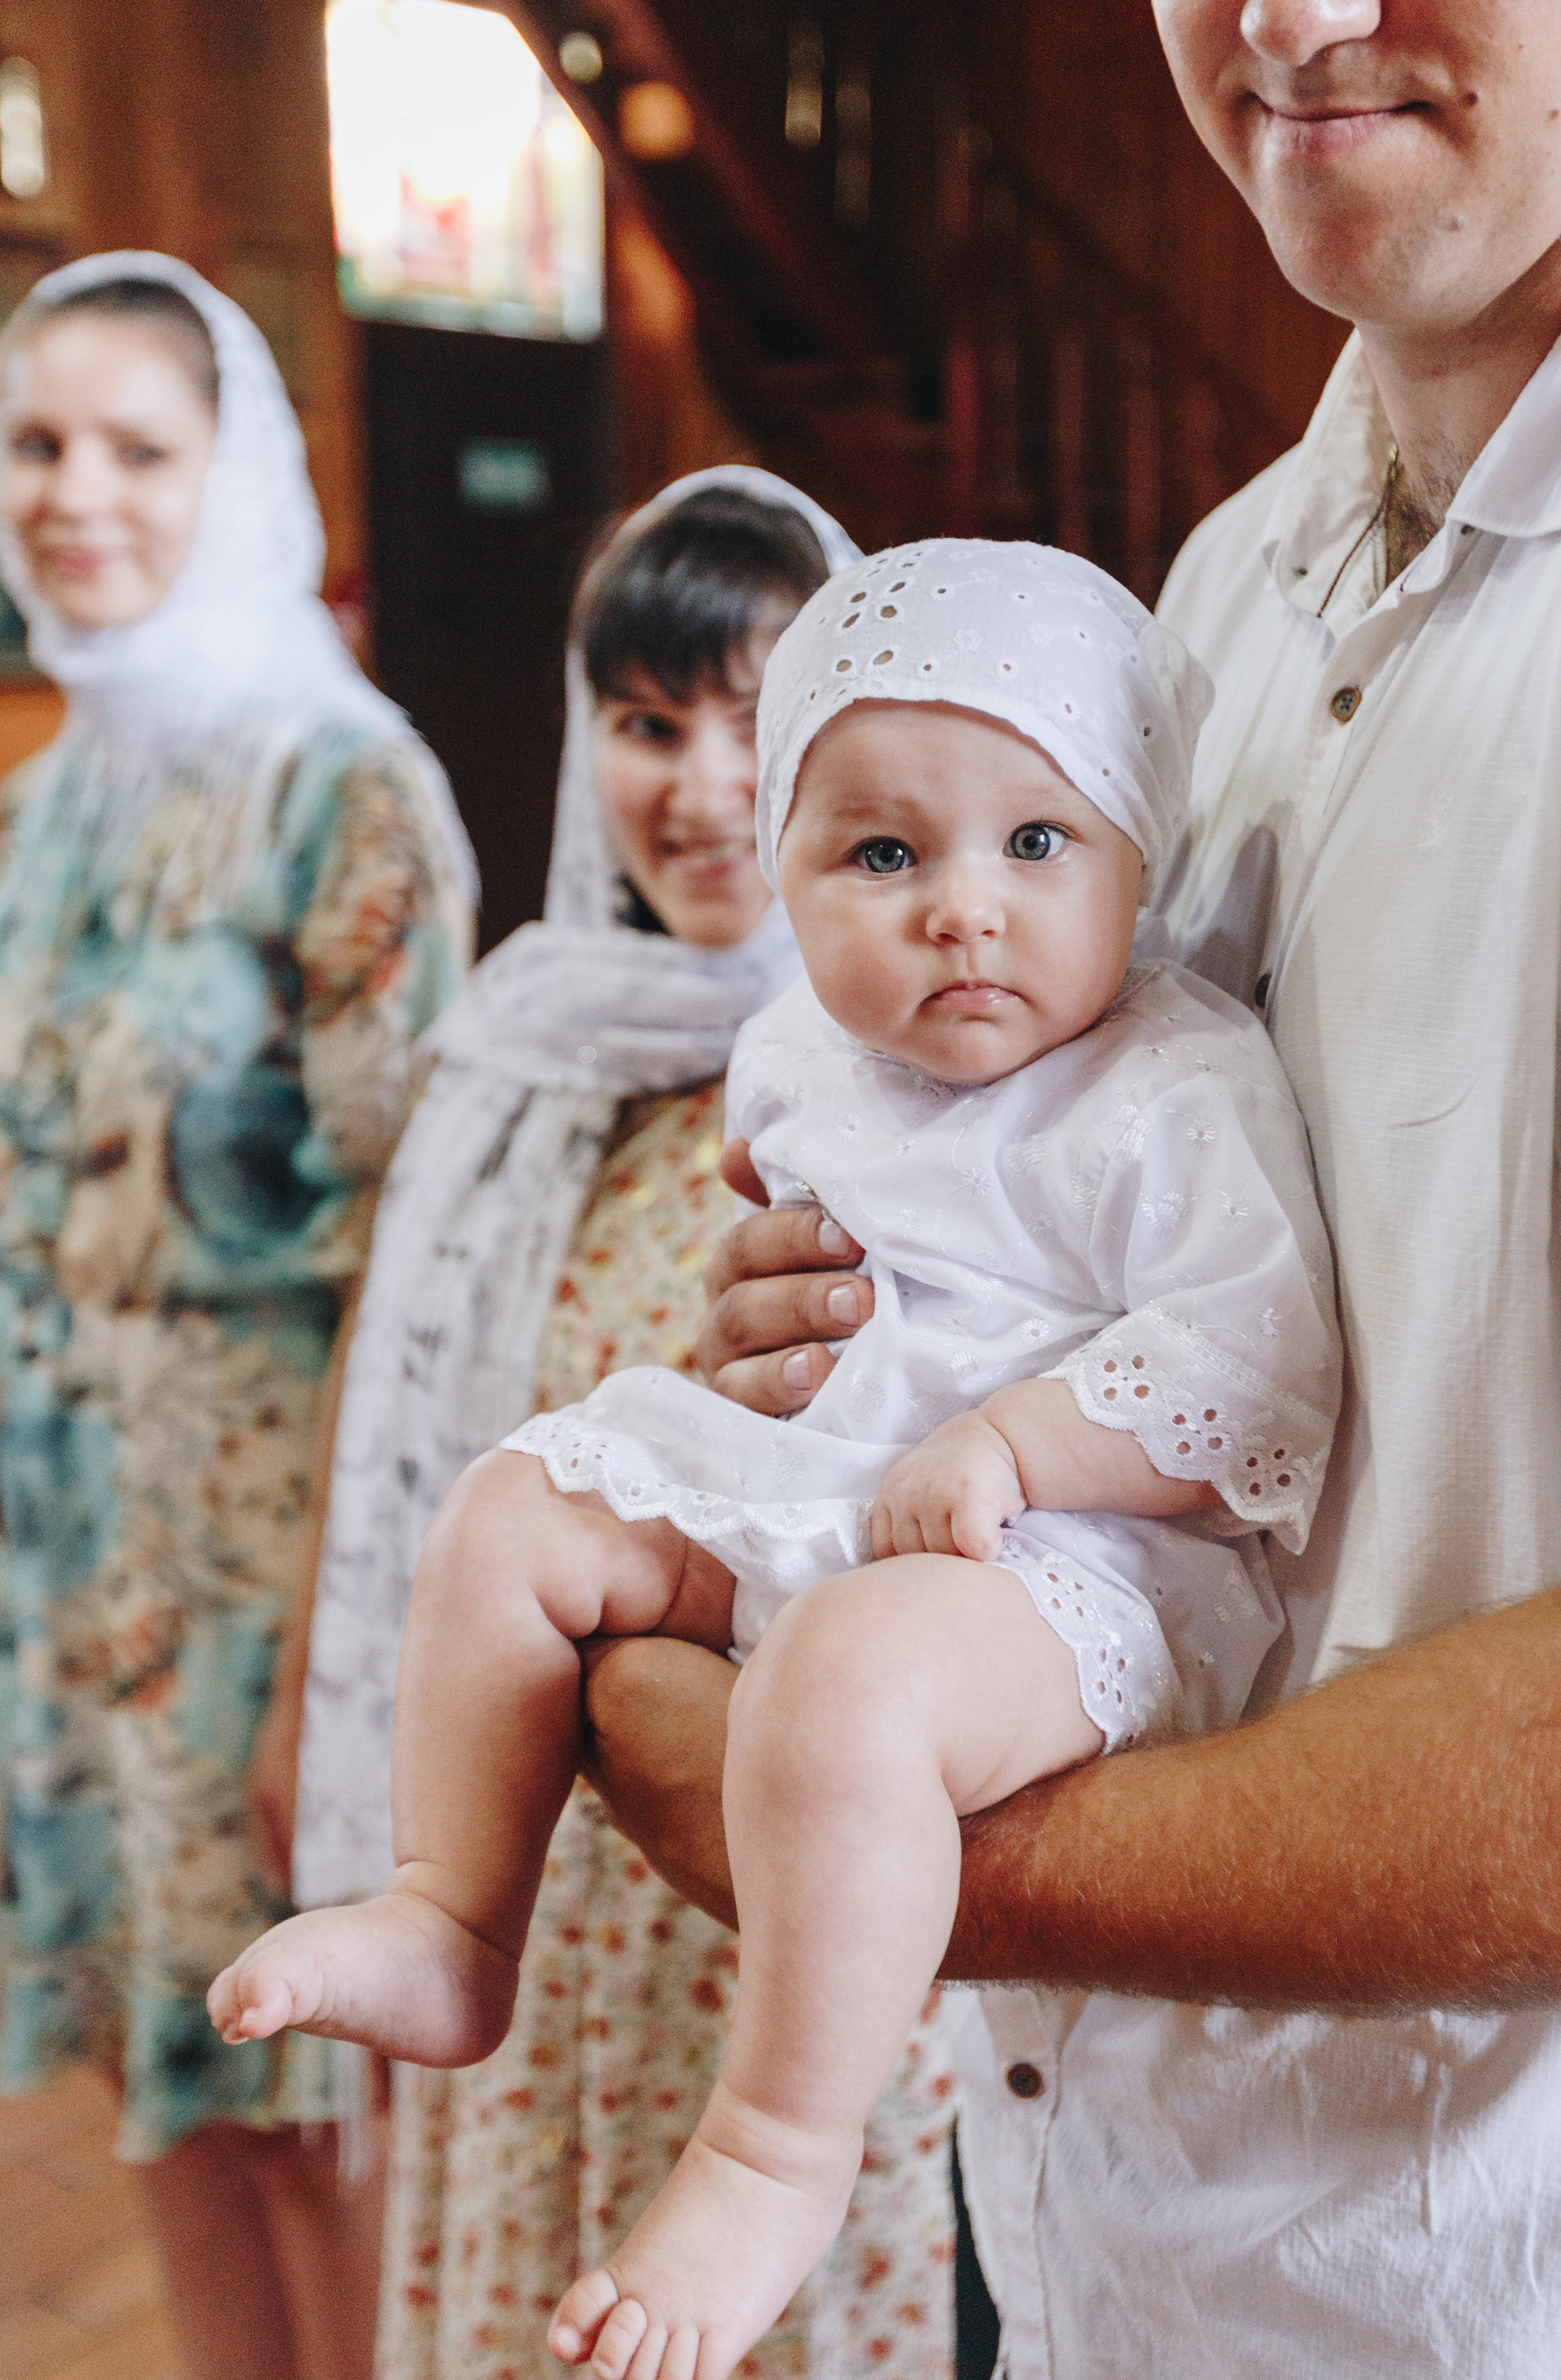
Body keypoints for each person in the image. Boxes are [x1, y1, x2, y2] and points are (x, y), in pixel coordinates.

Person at [580, 0, 1561, 2375]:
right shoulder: (1231, 589)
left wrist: (855, 1810)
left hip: (1539, 2295)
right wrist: (923, 1292)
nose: (1288, 0)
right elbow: (1271, 1355)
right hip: (1118, 2242)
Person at [210, 537, 1342, 2380]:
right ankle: (449, 1911)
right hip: (834, 1494)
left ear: (1138, 849)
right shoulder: (800, 1058)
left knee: (843, 1676)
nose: (961, 910)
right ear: (794, 869)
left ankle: (771, 2153)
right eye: (882, 855)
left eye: (1034, 844)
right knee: (516, 1510)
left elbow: (1258, 1366)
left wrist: (1015, 1435)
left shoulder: (1171, 1084)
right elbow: (773, 1264)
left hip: (1073, 1574)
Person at [280, 470, 960, 2380]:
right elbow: (411, 1425)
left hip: (767, 1881)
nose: (695, 780)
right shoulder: (520, 1052)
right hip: (536, 1872)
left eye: (757, 721)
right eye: (649, 724)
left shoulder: (911, 1093)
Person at [0, 254, 473, 2380]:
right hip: (70, 1553)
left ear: (239, 470)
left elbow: (425, 1242)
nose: (75, 492)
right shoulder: (48, 802)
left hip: (280, 1578)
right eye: (35, 445)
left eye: (134, 448)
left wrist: (340, 1672)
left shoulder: (342, 790)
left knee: (307, 2115)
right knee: (152, 2087)